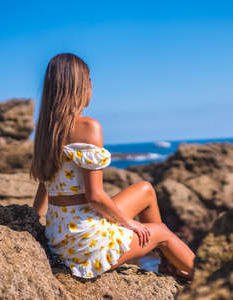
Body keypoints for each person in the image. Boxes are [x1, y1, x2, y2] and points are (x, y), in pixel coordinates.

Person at [30, 53, 195, 280]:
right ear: (79, 87)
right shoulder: (89, 127)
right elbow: (95, 196)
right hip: (85, 245)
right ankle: (211, 280)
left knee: (146, 189)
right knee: (163, 233)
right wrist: (131, 224)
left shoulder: (46, 130)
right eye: (89, 81)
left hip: (59, 236)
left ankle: (168, 263)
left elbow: (44, 184)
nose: (91, 87)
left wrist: (33, 220)